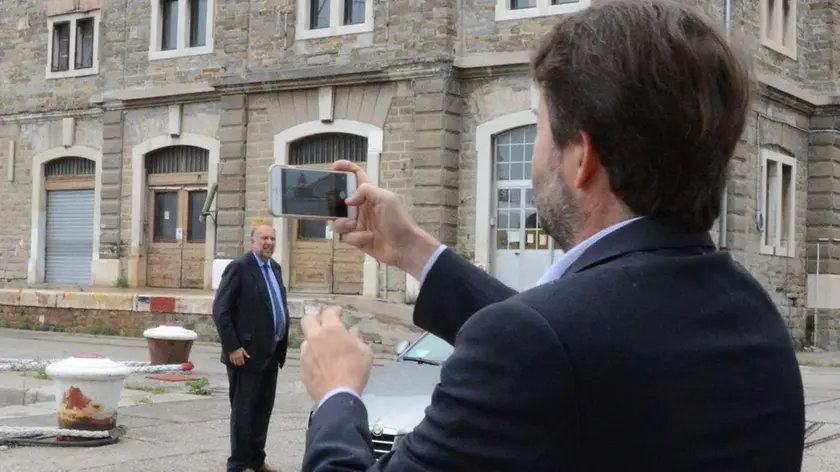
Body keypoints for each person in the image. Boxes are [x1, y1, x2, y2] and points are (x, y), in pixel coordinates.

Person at [297, 0, 806, 471]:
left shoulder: (536, 346)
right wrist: (412, 250)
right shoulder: (754, 317)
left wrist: (338, 393)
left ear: (583, 157)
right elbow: (571, 340)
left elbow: (549, 346)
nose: (536, 152)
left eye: (538, 128)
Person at [213, 223, 290, 472]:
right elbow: (221, 310)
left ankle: (256, 461)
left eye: (272, 238)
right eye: (264, 238)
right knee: (244, 412)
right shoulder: (240, 267)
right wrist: (233, 347)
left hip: (271, 352)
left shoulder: (274, 268)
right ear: (252, 240)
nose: (269, 242)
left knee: (262, 411)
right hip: (245, 355)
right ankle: (238, 464)